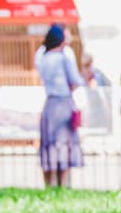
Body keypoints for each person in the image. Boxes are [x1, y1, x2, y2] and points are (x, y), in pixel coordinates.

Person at [35, 24, 84, 188]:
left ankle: (49, 183)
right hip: (63, 103)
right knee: (63, 142)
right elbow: (76, 81)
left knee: (50, 143)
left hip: (49, 104)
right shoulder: (64, 58)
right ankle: (63, 183)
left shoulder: (42, 57)